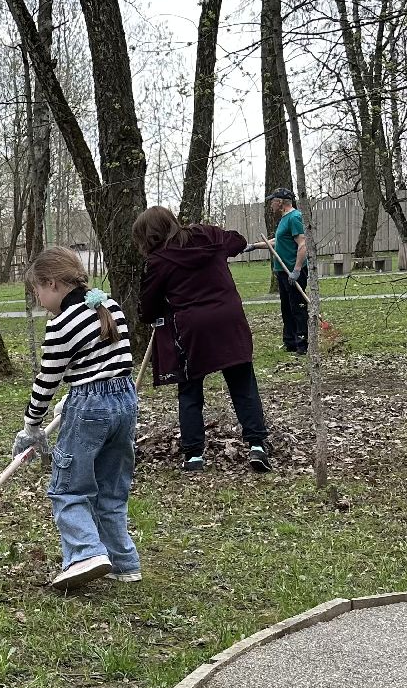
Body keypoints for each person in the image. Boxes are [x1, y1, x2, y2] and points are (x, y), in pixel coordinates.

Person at [11, 246, 141, 590]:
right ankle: (124, 562)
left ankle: (85, 554)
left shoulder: (61, 324)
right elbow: (112, 363)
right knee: (111, 490)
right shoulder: (108, 306)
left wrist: (31, 425)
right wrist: (78, 392)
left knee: (68, 489)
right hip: (125, 401)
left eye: (37, 290)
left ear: (52, 283)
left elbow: (47, 380)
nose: (38, 299)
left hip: (89, 409)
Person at [133, 205, 272, 474]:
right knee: (243, 383)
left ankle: (194, 455)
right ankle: (257, 445)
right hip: (228, 319)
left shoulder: (159, 261)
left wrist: (160, 308)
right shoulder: (208, 236)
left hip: (192, 329)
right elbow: (239, 241)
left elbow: (146, 309)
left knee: (190, 389)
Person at [267, 187, 310, 354]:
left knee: (297, 308)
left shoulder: (294, 217)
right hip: (283, 272)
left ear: (280, 202)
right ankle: (290, 342)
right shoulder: (284, 219)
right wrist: (254, 246)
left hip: (293, 271)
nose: (271, 204)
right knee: (286, 308)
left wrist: (297, 270)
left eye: (273, 201)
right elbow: (277, 241)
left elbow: (302, 244)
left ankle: (302, 344)